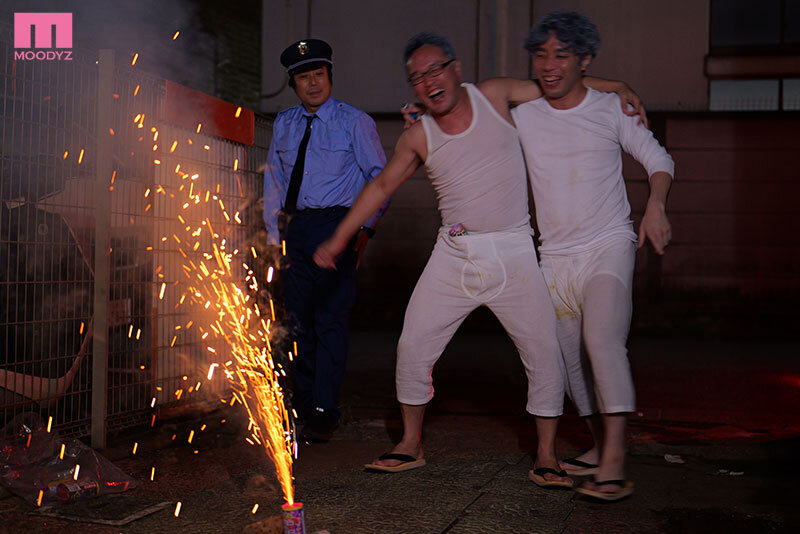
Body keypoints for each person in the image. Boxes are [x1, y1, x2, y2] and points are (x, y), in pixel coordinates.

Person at [314, 32, 642, 486]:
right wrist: (338, 239)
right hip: (454, 254)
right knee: (413, 345)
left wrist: (617, 86)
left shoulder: (494, 95)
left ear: (456, 69)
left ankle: (546, 455)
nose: (429, 82)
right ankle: (409, 443)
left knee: (545, 353)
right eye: (417, 77)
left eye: (435, 70)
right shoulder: (418, 135)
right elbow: (381, 185)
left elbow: (558, 86)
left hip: (513, 251)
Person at [512, 11, 674, 501]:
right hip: (554, 258)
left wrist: (655, 206)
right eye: (541, 55)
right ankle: (599, 443)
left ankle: (614, 464)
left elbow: (658, 159)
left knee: (601, 340)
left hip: (609, 245)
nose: (549, 64)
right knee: (569, 363)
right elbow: (473, 120)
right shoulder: (524, 115)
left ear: (584, 59)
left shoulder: (610, 109)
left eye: (561, 55)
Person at [263, 39, 390, 442]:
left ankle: (323, 410)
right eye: (304, 77)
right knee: (297, 321)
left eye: (319, 74)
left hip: (337, 226)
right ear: (293, 84)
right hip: (295, 229)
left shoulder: (355, 122)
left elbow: (381, 178)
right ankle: (303, 405)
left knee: (329, 320)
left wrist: (364, 228)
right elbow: (274, 181)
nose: (313, 83)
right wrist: (274, 236)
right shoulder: (284, 123)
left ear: (330, 77)